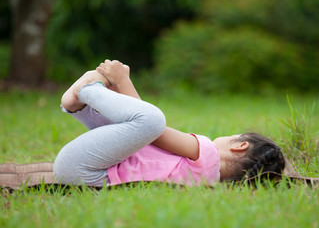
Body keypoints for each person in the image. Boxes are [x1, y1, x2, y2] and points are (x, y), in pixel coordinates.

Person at [54, 60, 285, 187]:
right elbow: (137, 134)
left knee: (153, 120)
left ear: (239, 146)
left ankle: (87, 92)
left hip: (87, 166)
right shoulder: (206, 182)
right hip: (90, 177)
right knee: (139, 124)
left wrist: (124, 81)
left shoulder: (209, 154)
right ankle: (78, 104)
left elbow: (154, 130)